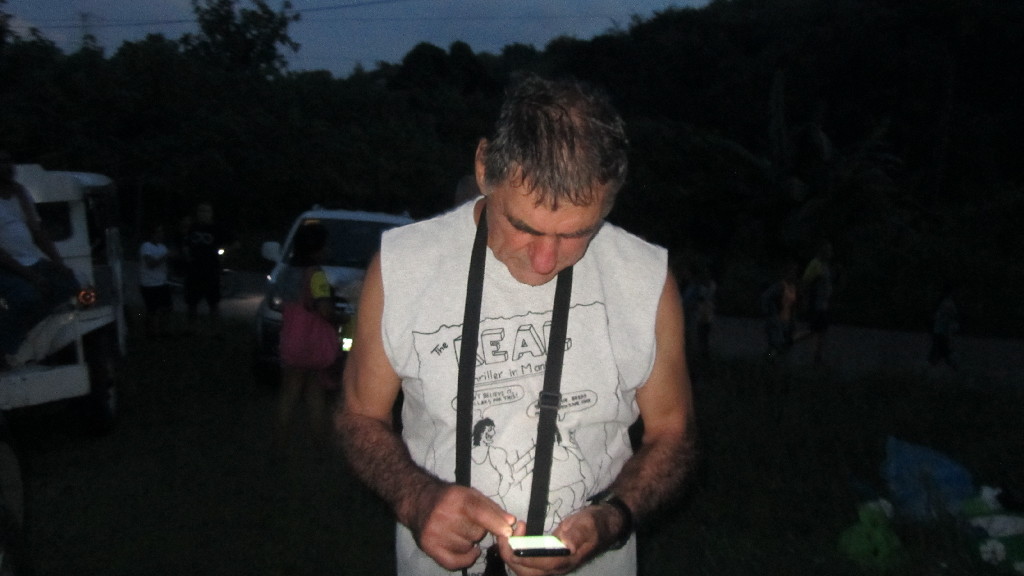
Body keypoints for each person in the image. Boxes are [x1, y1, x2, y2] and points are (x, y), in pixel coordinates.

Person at [335, 75, 695, 576]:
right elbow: (359, 415)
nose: (546, 261)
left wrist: (612, 519)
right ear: (485, 167)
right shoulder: (403, 265)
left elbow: (673, 433)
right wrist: (416, 498)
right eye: (524, 227)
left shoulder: (645, 279)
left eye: (577, 233)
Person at [0, 152, 81, 365]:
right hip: (5, 265)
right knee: (27, 297)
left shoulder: (21, 194)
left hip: (30, 259)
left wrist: (58, 263)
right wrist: (33, 277)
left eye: (9, 161)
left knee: (70, 284)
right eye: (1, 162)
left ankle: (15, 330)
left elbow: (38, 232)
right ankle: (5, 346)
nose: (7, 166)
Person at [276, 222, 342, 447]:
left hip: (290, 340)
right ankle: (319, 443)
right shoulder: (316, 275)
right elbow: (325, 311)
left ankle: (280, 442)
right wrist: (341, 319)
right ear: (317, 248)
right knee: (316, 393)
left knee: (289, 393)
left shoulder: (287, 272)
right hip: (312, 344)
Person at [182, 202, 233, 335]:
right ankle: (191, 329)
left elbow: (232, 243)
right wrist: (187, 254)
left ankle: (215, 331)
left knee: (213, 302)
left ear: (211, 213)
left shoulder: (217, 228)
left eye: (206, 211)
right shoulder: (192, 227)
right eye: (201, 211)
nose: (203, 214)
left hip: (211, 269)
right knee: (192, 302)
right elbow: (185, 243)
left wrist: (223, 255)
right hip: (194, 269)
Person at [801, 241, 834, 364]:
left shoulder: (825, 265)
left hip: (823, 304)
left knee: (821, 330)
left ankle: (817, 357)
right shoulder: (815, 264)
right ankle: (813, 357)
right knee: (815, 330)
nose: (830, 253)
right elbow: (806, 281)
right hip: (816, 303)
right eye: (828, 250)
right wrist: (806, 299)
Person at [138, 223, 173, 338]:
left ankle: (163, 331)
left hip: (162, 282)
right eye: (158, 232)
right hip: (149, 284)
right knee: (153, 310)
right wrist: (165, 256)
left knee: (166, 308)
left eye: (161, 232)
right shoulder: (146, 246)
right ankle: (152, 333)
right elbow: (151, 264)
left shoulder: (163, 247)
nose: (161, 234)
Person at [761, 259, 800, 358]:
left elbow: (793, 305)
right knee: (776, 345)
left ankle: (775, 361)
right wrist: (770, 313)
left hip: (787, 321)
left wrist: (793, 320)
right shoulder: (779, 286)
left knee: (785, 346)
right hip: (777, 320)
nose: (793, 275)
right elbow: (766, 297)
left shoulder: (793, 287)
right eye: (791, 272)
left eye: (794, 272)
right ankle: (768, 358)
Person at [928, 283, 959, 370]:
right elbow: (953, 316)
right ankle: (953, 366)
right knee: (943, 350)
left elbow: (935, 316)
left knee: (940, 350)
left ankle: (930, 365)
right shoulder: (948, 303)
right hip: (943, 330)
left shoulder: (942, 302)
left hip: (939, 330)